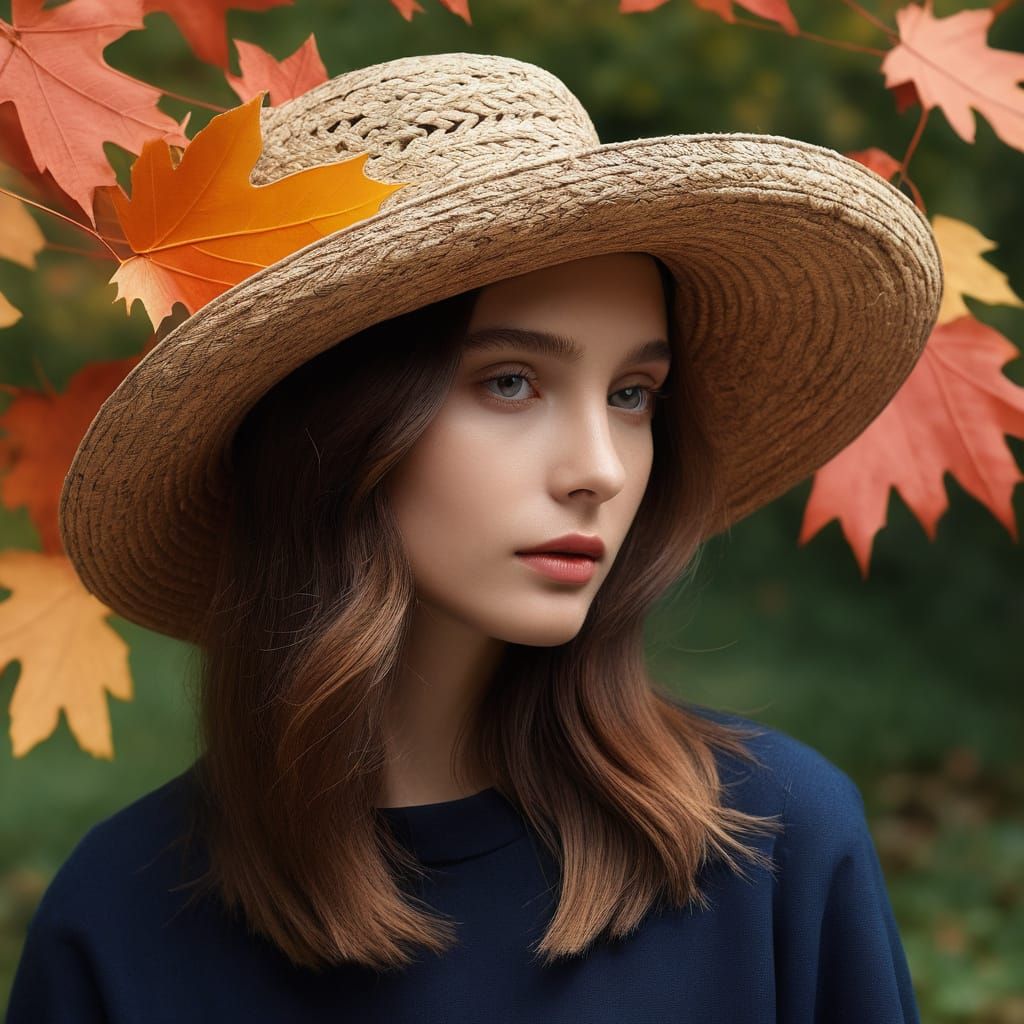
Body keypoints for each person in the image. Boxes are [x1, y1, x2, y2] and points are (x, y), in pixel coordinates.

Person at [7, 51, 940, 1022]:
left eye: (632, 395)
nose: (601, 467)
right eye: (510, 381)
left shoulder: (772, 844)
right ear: (333, 431)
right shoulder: (116, 922)